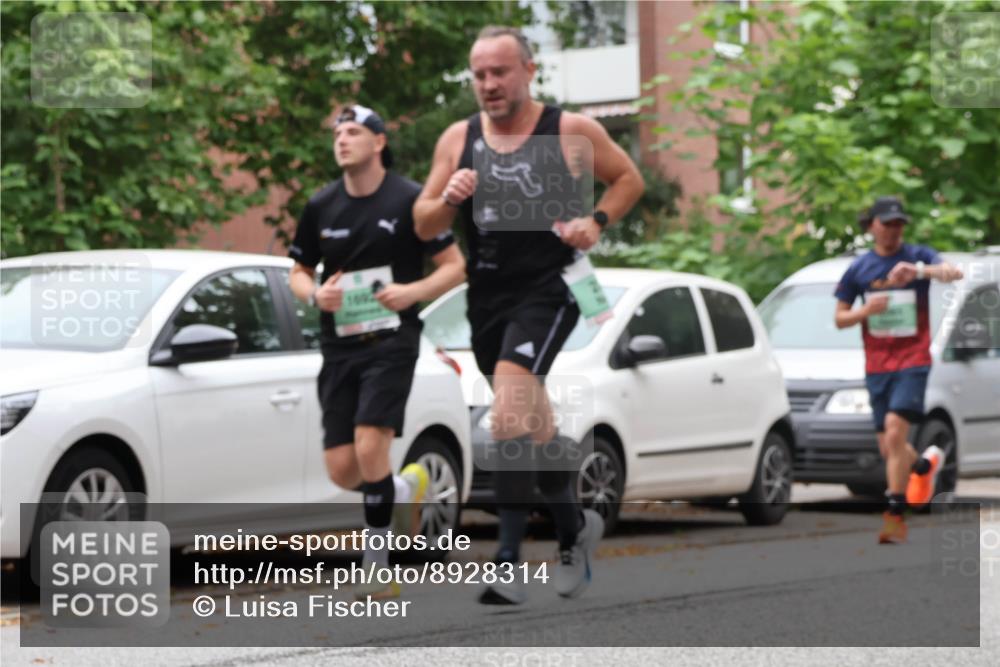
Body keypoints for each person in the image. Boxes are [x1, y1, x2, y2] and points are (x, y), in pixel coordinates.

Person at [413, 26, 644, 604]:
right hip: (487, 296)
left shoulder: (567, 130)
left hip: (550, 289)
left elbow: (628, 178)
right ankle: (574, 530)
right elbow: (423, 223)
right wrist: (450, 198)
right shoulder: (459, 139)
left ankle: (509, 561)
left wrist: (596, 221)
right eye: (480, 75)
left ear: (528, 70)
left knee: (507, 415)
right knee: (533, 428)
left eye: (500, 72)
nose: (489, 84)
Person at [288, 105, 466, 597]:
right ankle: (403, 488)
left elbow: (455, 266)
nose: (342, 140)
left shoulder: (411, 200)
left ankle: (377, 565)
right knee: (343, 470)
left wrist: (412, 293)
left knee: (371, 445)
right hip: (339, 346)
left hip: (392, 340)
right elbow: (298, 271)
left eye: (353, 132)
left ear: (379, 142)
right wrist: (315, 295)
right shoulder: (321, 205)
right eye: (337, 133)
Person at [834, 196, 963, 544]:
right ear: (871, 226)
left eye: (899, 224)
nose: (894, 230)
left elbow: (954, 272)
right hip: (877, 365)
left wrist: (917, 272)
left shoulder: (918, 255)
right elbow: (840, 318)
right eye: (887, 223)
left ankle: (894, 517)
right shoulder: (860, 268)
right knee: (889, 448)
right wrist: (865, 312)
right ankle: (922, 466)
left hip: (913, 360)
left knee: (894, 432)